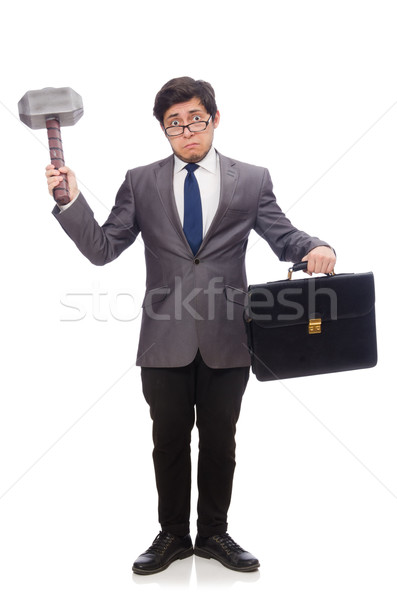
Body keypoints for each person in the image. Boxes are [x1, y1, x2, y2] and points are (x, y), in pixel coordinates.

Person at [46, 76, 336, 575]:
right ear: (164, 130)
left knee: (221, 440)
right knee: (169, 440)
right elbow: (102, 248)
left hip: (229, 336)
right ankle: (174, 536)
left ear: (215, 119)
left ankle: (215, 534)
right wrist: (71, 201)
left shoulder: (252, 178)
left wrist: (313, 246)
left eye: (195, 119)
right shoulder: (141, 181)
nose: (186, 131)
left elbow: (282, 233)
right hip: (164, 338)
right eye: (173, 124)